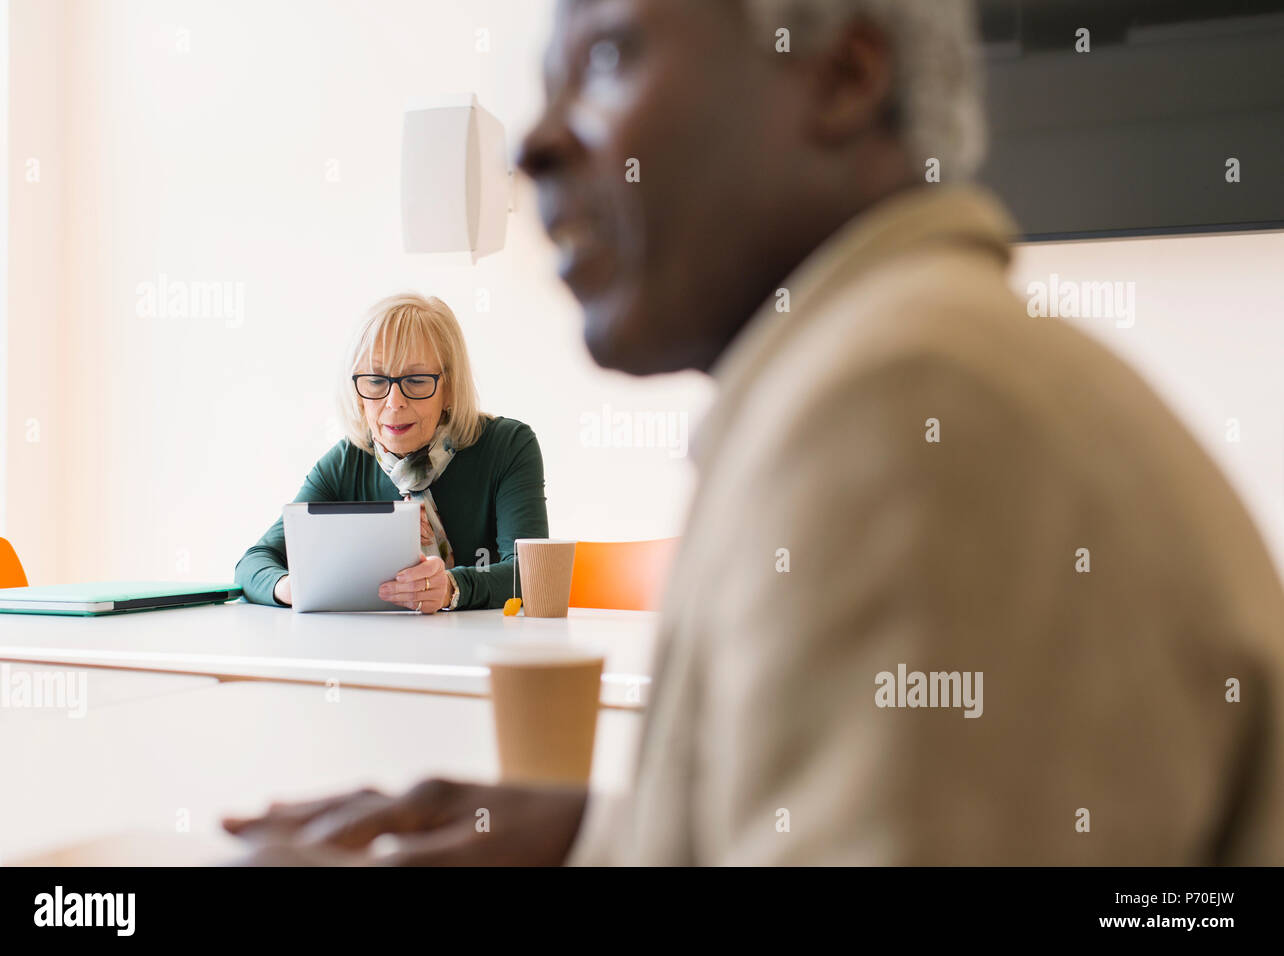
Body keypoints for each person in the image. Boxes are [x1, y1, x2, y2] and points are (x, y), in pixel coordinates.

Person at [224, 0, 1284, 864]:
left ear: (842, 76)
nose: (536, 145)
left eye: (605, 56)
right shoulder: (898, 368)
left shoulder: (899, 409)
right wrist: (613, 836)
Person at [235, 293, 548, 613]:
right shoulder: (346, 462)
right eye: (375, 381)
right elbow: (254, 564)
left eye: (415, 380)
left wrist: (452, 588)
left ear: (450, 387)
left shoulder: (507, 446)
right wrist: (296, 585)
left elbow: (533, 571)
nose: (394, 401)